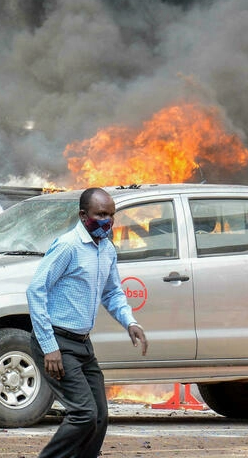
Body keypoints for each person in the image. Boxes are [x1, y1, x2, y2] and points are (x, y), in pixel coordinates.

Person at [26, 187, 149, 458]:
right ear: (83, 215)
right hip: (57, 343)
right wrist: (49, 346)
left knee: (99, 417)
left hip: (83, 345)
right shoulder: (68, 246)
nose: (107, 221)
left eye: (111, 215)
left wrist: (130, 322)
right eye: (100, 214)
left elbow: (113, 291)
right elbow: (36, 290)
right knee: (83, 414)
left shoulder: (106, 248)